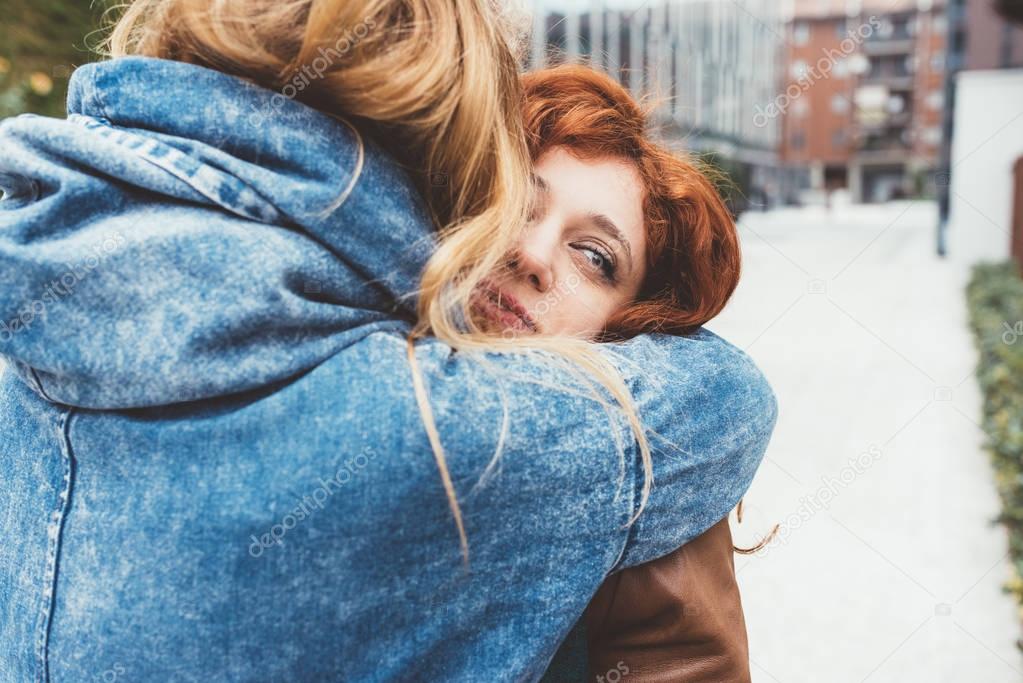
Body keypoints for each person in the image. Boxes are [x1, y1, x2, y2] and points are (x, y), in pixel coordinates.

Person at [0, 1, 777, 680]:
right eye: (512, 202)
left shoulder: (36, 311)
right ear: (447, 193)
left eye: (595, 257)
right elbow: (726, 399)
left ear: (629, 327)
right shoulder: (459, 430)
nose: (531, 257)